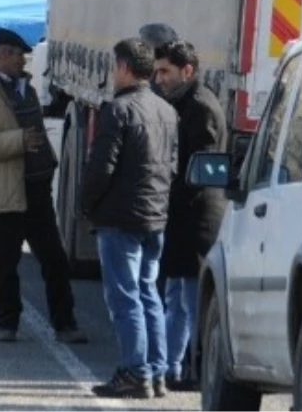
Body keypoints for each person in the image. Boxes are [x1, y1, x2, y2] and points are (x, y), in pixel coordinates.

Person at [0, 28, 87, 346]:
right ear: (1, 55)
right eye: (17, 54)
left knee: (55, 259)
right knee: (4, 264)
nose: (23, 59)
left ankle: (65, 323)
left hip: (36, 188)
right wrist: (18, 141)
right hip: (2, 191)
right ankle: (6, 322)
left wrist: (48, 160)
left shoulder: (24, 89)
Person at [82, 37, 178, 399]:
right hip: (155, 217)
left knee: (124, 298)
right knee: (149, 294)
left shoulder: (118, 110)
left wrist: (87, 204)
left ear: (123, 67)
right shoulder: (166, 110)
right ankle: (157, 372)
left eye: (113, 66)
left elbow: (100, 167)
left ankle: (135, 371)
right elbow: (172, 165)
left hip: (121, 218)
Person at [153, 41, 227, 392]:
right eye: (157, 71)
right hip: (182, 217)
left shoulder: (200, 108)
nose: (159, 78)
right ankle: (170, 367)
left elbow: (201, 170)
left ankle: (197, 370)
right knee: (177, 297)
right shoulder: (181, 102)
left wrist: (164, 198)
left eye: (165, 71)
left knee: (194, 300)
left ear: (188, 70)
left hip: (197, 219)